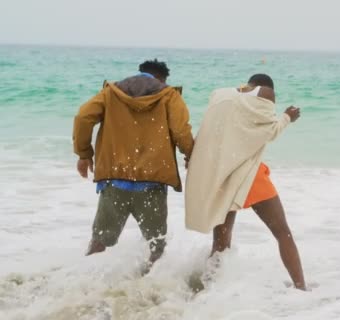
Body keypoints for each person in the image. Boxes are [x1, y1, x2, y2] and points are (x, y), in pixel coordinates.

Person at [185, 74, 306, 290]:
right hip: (249, 175)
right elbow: (270, 133)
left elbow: (208, 135)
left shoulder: (220, 96)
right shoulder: (266, 93)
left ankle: (207, 290)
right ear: (266, 88)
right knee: (282, 232)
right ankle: (301, 287)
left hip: (221, 177)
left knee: (221, 243)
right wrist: (287, 116)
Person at [72, 59, 194, 265]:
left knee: (99, 242)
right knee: (156, 247)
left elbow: (83, 117)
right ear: (162, 78)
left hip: (115, 182)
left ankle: (80, 285)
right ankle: (151, 290)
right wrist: (190, 155)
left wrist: (84, 154)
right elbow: (181, 131)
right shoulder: (169, 95)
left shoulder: (111, 93)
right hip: (152, 185)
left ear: (141, 73)